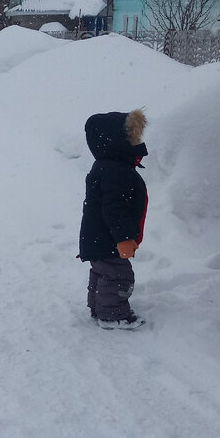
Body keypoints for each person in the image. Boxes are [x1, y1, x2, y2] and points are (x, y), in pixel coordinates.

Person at [78, 109, 148, 328]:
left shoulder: (107, 166)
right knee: (118, 275)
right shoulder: (115, 170)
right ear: (116, 141)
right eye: (131, 137)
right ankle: (113, 315)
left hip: (98, 238)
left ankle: (99, 307)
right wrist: (124, 238)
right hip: (108, 238)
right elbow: (114, 209)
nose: (135, 141)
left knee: (102, 271)